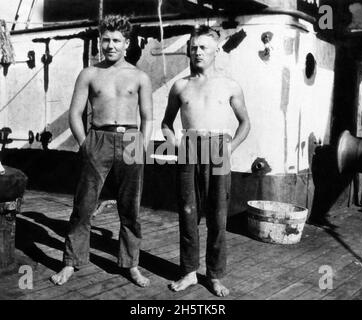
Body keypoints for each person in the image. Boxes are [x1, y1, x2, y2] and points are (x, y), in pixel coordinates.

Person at [51, 15, 153, 287]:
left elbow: (148, 117)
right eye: (105, 39)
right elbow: (75, 114)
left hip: (131, 139)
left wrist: (143, 144)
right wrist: (85, 144)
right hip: (97, 138)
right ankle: (70, 262)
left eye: (116, 40)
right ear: (99, 41)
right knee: (83, 206)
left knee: (130, 209)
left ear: (126, 43)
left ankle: (131, 264)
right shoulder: (89, 74)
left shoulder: (140, 76)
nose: (110, 45)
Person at [161, 25, 250, 297]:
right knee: (188, 214)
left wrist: (230, 148)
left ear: (216, 51)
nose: (197, 52)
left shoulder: (230, 85)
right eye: (194, 48)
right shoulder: (180, 86)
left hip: (218, 148)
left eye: (203, 48)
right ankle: (188, 272)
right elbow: (166, 123)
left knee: (218, 217)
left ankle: (214, 275)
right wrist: (175, 143)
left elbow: (245, 123)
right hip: (189, 147)